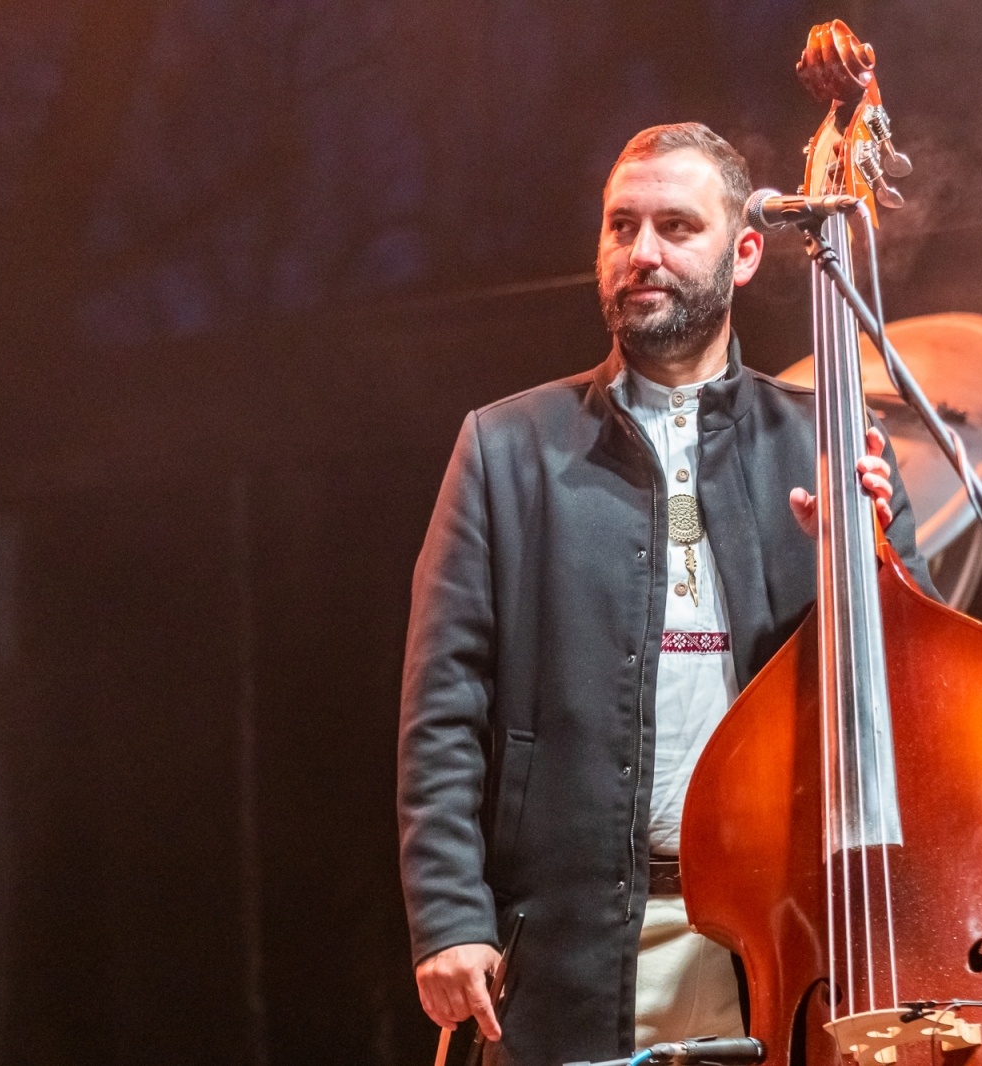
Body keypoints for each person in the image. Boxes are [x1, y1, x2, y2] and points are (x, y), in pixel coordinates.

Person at [397, 122, 937, 1066]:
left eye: (676, 227)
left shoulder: (824, 440)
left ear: (746, 253)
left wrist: (874, 559)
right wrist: (447, 916)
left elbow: (920, 699)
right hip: (574, 942)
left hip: (785, 935)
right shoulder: (504, 449)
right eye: (621, 226)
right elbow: (442, 710)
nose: (642, 252)